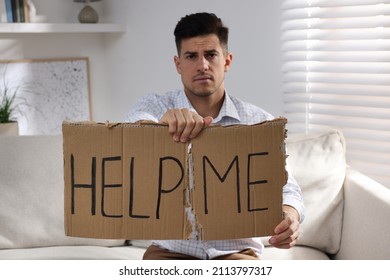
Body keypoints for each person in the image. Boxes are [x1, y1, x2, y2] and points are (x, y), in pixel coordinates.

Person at [126, 12, 304, 260]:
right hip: (170, 251)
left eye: (210, 55)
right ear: (178, 64)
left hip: (235, 251)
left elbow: (287, 187)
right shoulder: (156, 106)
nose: (202, 65)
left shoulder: (259, 121)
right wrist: (156, 126)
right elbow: (132, 127)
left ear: (227, 61)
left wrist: (290, 215)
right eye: (191, 56)